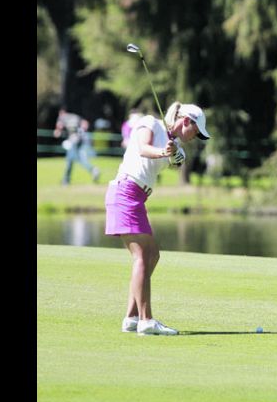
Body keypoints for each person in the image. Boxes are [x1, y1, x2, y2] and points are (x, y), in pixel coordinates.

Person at [104, 101, 211, 336]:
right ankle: (146, 320)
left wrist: (171, 151)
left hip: (137, 197)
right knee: (142, 256)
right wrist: (164, 150)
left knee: (152, 255)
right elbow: (143, 148)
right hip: (125, 191)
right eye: (196, 131)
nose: (196, 137)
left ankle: (132, 317)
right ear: (186, 121)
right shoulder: (149, 122)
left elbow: (176, 159)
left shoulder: (178, 149)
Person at [53, 108, 101, 185]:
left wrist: (57, 132)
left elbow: (59, 128)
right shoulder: (74, 116)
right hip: (80, 139)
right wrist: (81, 132)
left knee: (71, 160)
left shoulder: (61, 117)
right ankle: (92, 170)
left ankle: (66, 180)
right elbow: (85, 124)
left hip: (73, 140)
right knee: (75, 159)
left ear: (61, 113)